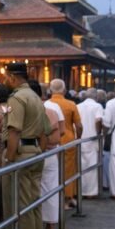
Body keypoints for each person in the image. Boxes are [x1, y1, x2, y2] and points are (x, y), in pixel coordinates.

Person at [0, 63, 49, 229]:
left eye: (6, 77)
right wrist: (39, 151)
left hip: (20, 153)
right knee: (34, 204)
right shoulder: (35, 97)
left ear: (12, 77)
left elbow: (14, 131)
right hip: (35, 151)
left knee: (19, 206)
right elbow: (46, 130)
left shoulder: (17, 98)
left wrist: (9, 158)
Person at [29, 80, 62, 229]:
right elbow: (59, 134)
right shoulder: (51, 111)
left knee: (29, 192)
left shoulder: (23, 111)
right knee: (50, 189)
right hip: (49, 153)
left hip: (30, 154)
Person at [48, 79, 82, 207]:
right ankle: (67, 198)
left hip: (51, 141)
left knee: (52, 170)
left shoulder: (46, 104)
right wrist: (79, 137)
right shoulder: (71, 104)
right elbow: (79, 125)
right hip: (68, 140)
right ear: (64, 90)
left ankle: (53, 197)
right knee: (68, 170)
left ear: (50, 90)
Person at [77, 88, 103, 197]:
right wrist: (98, 133)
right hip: (92, 140)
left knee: (81, 166)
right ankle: (91, 192)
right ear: (96, 97)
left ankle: (81, 191)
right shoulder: (97, 106)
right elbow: (98, 120)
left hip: (81, 139)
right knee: (92, 167)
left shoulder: (78, 106)